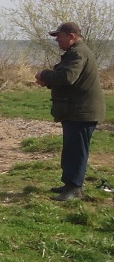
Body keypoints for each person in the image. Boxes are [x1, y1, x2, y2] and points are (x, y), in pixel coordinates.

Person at [34, 21, 106, 201]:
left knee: (77, 150)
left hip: (82, 112)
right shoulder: (74, 53)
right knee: (71, 149)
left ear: (71, 36)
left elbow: (68, 77)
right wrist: (49, 81)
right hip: (76, 111)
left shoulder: (78, 53)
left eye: (59, 36)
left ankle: (75, 188)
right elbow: (69, 78)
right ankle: (69, 184)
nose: (57, 40)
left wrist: (44, 74)